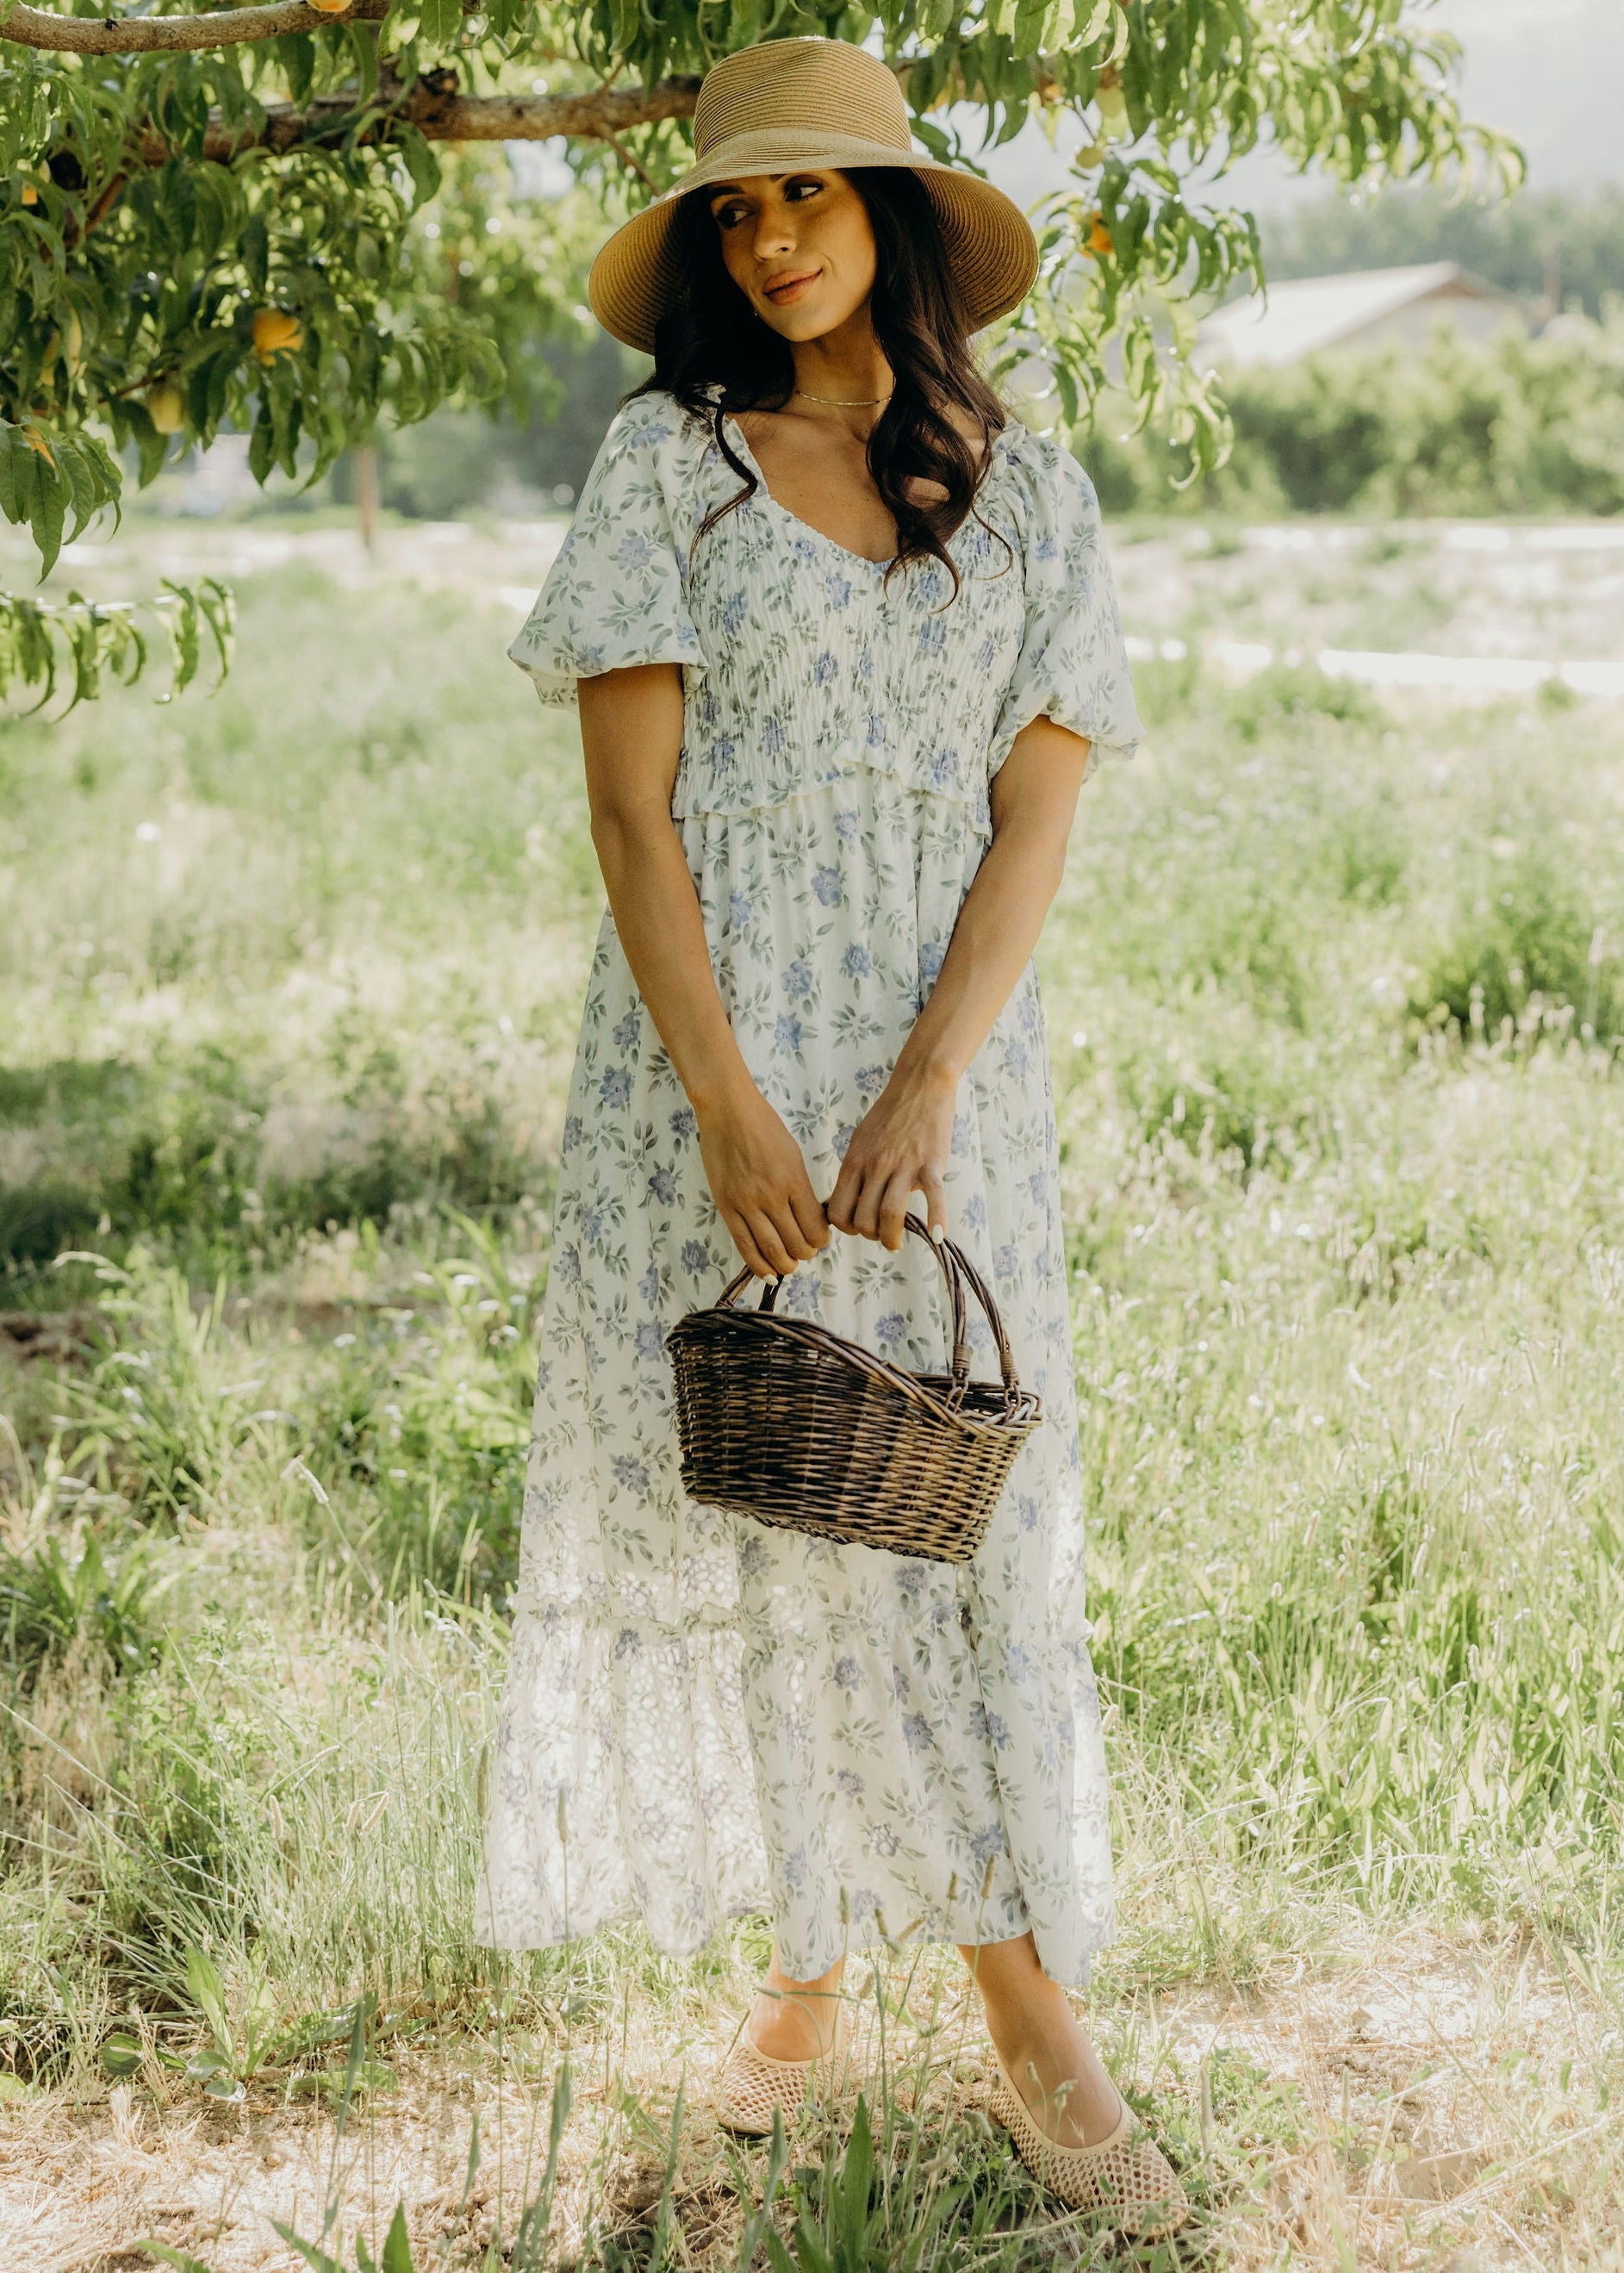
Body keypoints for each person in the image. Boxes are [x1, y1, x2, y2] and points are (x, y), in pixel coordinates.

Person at [477, 34, 1185, 2236]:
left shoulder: (1031, 489)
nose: (774, 240)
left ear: (890, 215)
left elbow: (1037, 818)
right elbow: (627, 811)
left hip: (945, 1083)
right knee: (798, 1500)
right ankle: (1018, 2023)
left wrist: (926, 1078)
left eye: (808, 199)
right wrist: (727, 1101)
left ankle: (816, 1979)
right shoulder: (665, 470)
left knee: (941, 1507)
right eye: (736, 213)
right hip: (724, 1069)